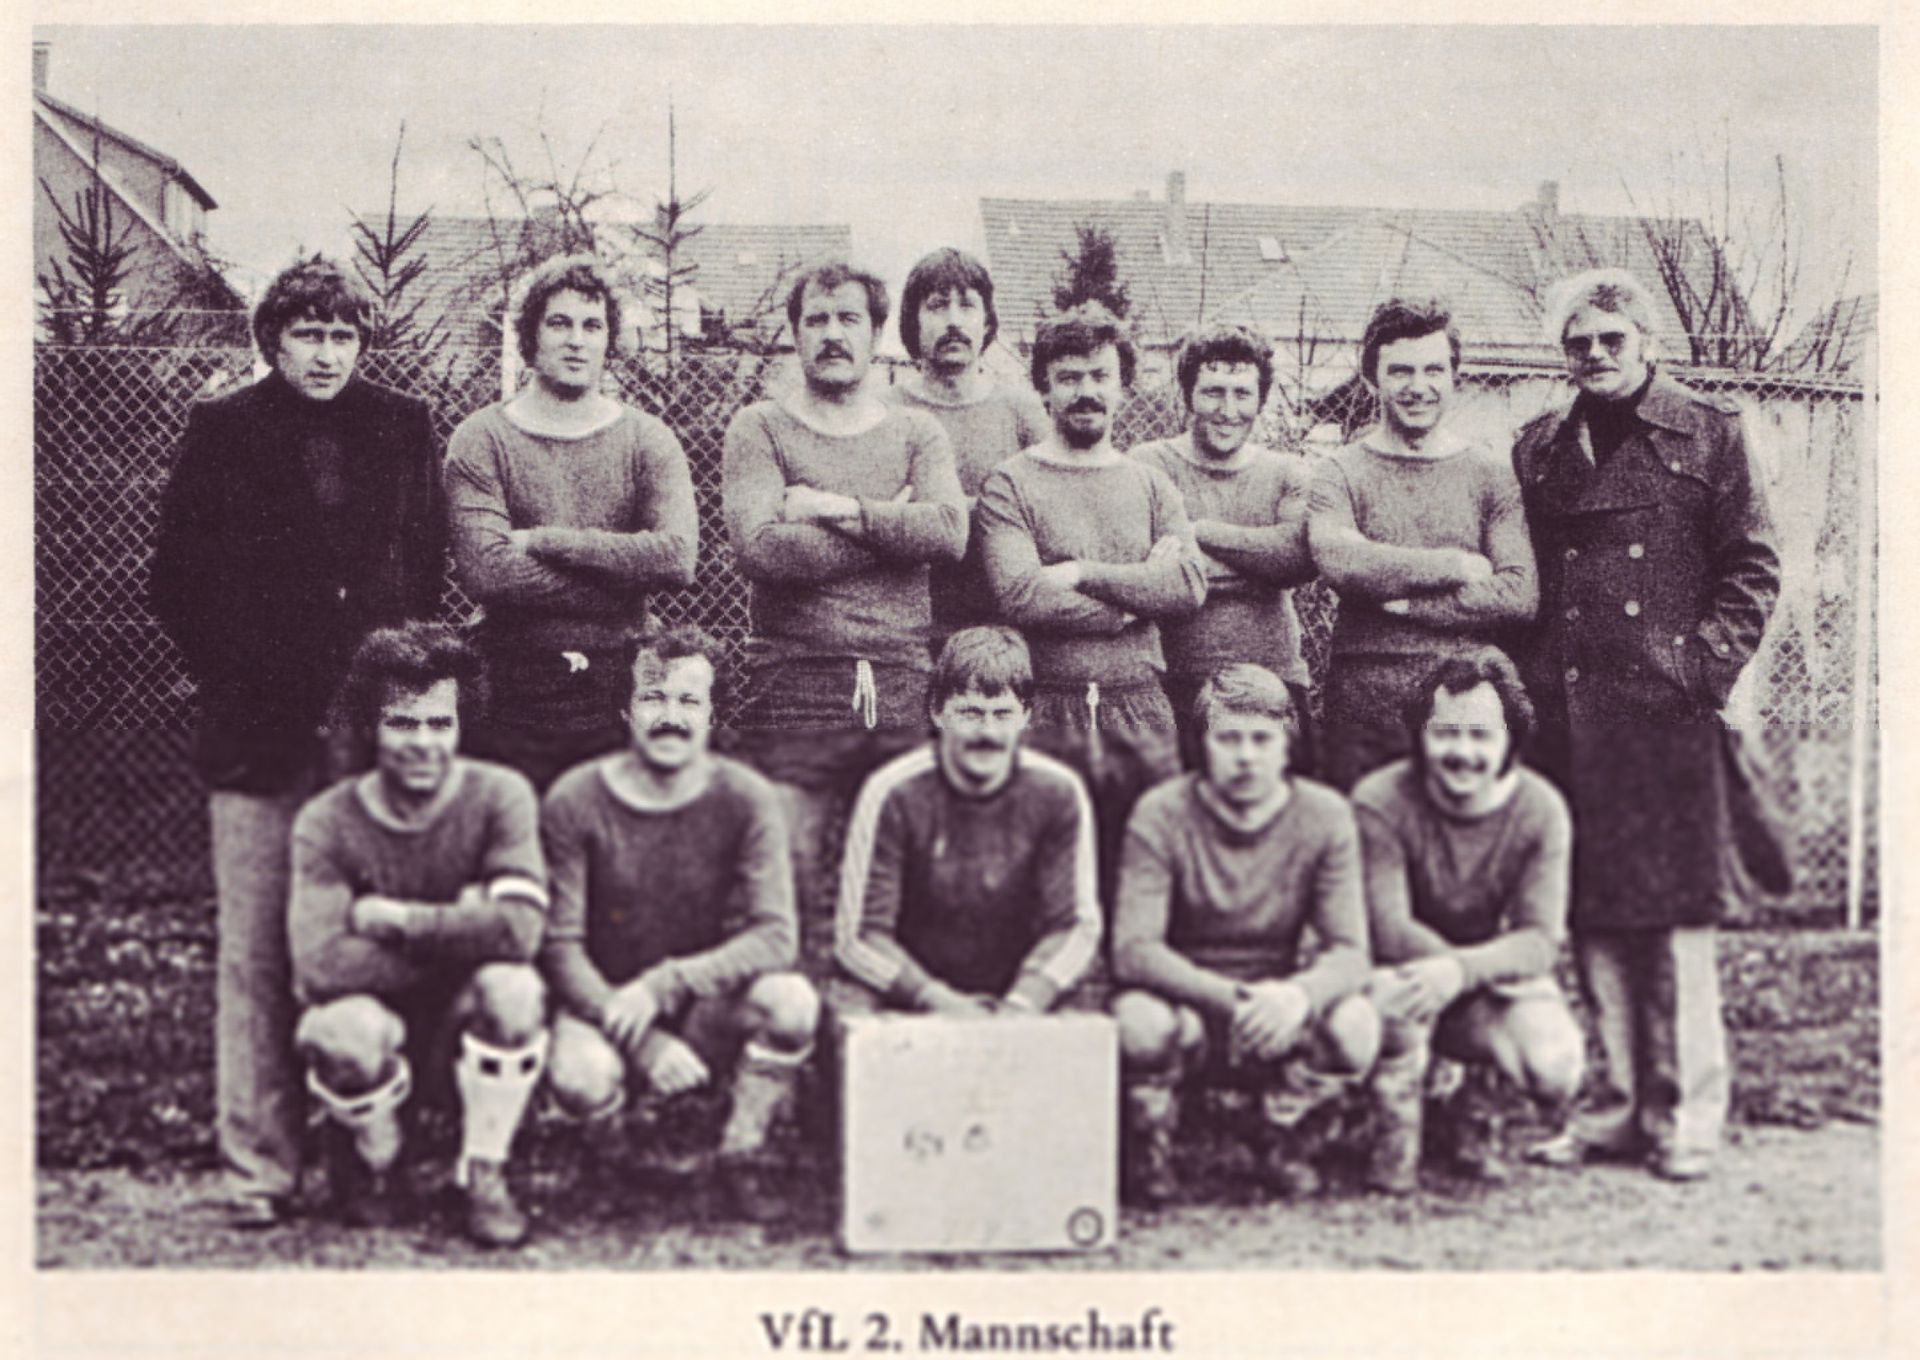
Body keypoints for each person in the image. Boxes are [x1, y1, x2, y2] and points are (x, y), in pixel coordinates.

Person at [149, 256, 444, 1227]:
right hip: (257, 736)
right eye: (308, 334)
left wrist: (378, 685)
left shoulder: (403, 424)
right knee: (256, 954)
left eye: (342, 335)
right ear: (273, 340)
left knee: (369, 945)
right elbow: (176, 584)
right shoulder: (223, 428)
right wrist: (254, 675)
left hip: (371, 743)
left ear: (363, 342)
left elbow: (424, 568)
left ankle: (367, 1161)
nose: (326, 353)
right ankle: (260, 1169)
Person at [1513, 269, 1781, 1182]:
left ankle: (1690, 1112)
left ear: (1648, 343)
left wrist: (1698, 669)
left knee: (1676, 924)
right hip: (1570, 714)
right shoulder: (1540, 447)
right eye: (1579, 343)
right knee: (1594, 916)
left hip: (1665, 715)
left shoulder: (1711, 430)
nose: (1595, 355)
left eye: (1612, 339)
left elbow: (1752, 567)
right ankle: (1617, 1107)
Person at [539, 621, 819, 1221]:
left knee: (791, 1002)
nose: (671, 717)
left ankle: (740, 1152)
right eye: (653, 697)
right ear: (626, 707)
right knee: (581, 1075)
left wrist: (666, 984)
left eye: (689, 700)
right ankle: (616, 1159)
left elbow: (777, 936)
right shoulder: (575, 798)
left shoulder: (746, 796)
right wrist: (641, 1040)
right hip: (604, 1005)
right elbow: (560, 947)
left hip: (699, 1008)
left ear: (714, 712)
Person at [720, 261, 967, 935]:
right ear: (795, 333)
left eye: (849, 319)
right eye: (817, 320)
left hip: (900, 681)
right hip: (791, 681)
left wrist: (833, 509)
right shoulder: (760, 427)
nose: (833, 334)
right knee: (792, 883)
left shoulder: (917, 432)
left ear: (877, 332)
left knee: (897, 886)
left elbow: (948, 533)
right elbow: (762, 550)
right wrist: (890, 525)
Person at [287, 623, 549, 1247]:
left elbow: (520, 932)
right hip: (381, 1026)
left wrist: (398, 921)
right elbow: (320, 964)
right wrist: (465, 928)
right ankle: (378, 1164)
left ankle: (483, 1172)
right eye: (403, 723)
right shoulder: (326, 821)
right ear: (371, 726)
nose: (424, 743)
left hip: (463, 1021)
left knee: (514, 990)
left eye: (440, 723)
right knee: (339, 1026)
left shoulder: (501, 795)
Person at [1110, 665, 1377, 1206]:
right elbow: (1134, 950)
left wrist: (1296, 997)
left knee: (1357, 1025)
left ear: (1288, 742)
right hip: (1190, 1004)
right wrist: (1233, 1000)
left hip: (1278, 1010)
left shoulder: (1325, 815)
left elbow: (1350, 952)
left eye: (1262, 739)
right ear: (1202, 743)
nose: (1246, 756)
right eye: (1228, 739)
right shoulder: (1161, 813)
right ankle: (1154, 1144)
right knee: (1137, 1023)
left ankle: (1283, 1134)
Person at [446, 254, 698, 792]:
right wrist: (622, 578)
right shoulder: (481, 437)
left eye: (592, 326)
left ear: (609, 339)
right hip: (509, 681)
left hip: (622, 681)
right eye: (559, 323)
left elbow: (676, 558)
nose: (576, 341)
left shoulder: (649, 439)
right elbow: (488, 573)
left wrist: (546, 541)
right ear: (530, 336)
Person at [977, 306, 1206, 897]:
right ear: (1044, 388)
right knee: (1040, 888)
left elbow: (1187, 585)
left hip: (1142, 709)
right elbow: (1023, 594)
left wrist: (1082, 572)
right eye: (1070, 377)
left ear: (1123, 385)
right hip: (1045, 709)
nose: (1087, 391)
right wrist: (1134, 600)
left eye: (1101, 376)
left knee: (1144, 881)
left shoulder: (1151, 483)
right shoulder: (1010, 482)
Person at [1355, 649, 1584, 1193]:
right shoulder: (1380, 800)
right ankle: (1391, 1136)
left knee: (1554, 1062)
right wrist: (1443, 972)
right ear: (1420, 735)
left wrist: (1460, 973)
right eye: (1446, 733)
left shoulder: (1539, 808)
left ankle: (1472, 1107)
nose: (1463, 753)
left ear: (1510, 739)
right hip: (1399, 975)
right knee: (1394, 1004)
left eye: (1481, 735)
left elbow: (1539, 939)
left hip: (1483, 979)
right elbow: (1386, 925)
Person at [1308, 298, 1539, 790]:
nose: (1418, 387)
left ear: (1454, 375)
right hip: (1366, 696)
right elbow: (1343, 563)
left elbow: (1518, 594)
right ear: (1372, 377)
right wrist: (1454, 565)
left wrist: (1408, 602)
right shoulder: (1338, 471)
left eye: (1433, 370)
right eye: (1400, 371)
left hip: (1465, 699)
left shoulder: (1491, 473)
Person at [833, 626, 1102, 1017]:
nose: (988, 733)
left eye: (1003, 714)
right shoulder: (893, 791)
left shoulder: (1058, 791)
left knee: (1092, 1018)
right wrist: (939, 1001)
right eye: (970, 713)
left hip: (1018, 992)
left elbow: (1075, 926)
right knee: (849, 1012)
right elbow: (861, 934)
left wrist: (1023, 1002)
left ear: (1026, 715)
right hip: (913, 989)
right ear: (937, 712)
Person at [1129, 323, 1317, 770]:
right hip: (1176, 682)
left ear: (1261, 400)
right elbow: (1144, 573)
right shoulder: (1148, 465)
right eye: (1213, 392)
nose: (1228, 410)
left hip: (1275, 684)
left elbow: (1296, 558)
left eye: (1242, 394)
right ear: (1188, 395)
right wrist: (1257, 566)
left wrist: (1197, 533)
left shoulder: (1288, 472)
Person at [885, 247, 1050, 640]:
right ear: (912, 321)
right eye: (937, 306)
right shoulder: (886, 411)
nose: (954, 321)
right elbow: (881, 518)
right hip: (909, 626)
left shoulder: (1022, 410)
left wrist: (936, 515)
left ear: (987, 321)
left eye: (967, 306)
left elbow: (1049, 511)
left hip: (1006, 626)